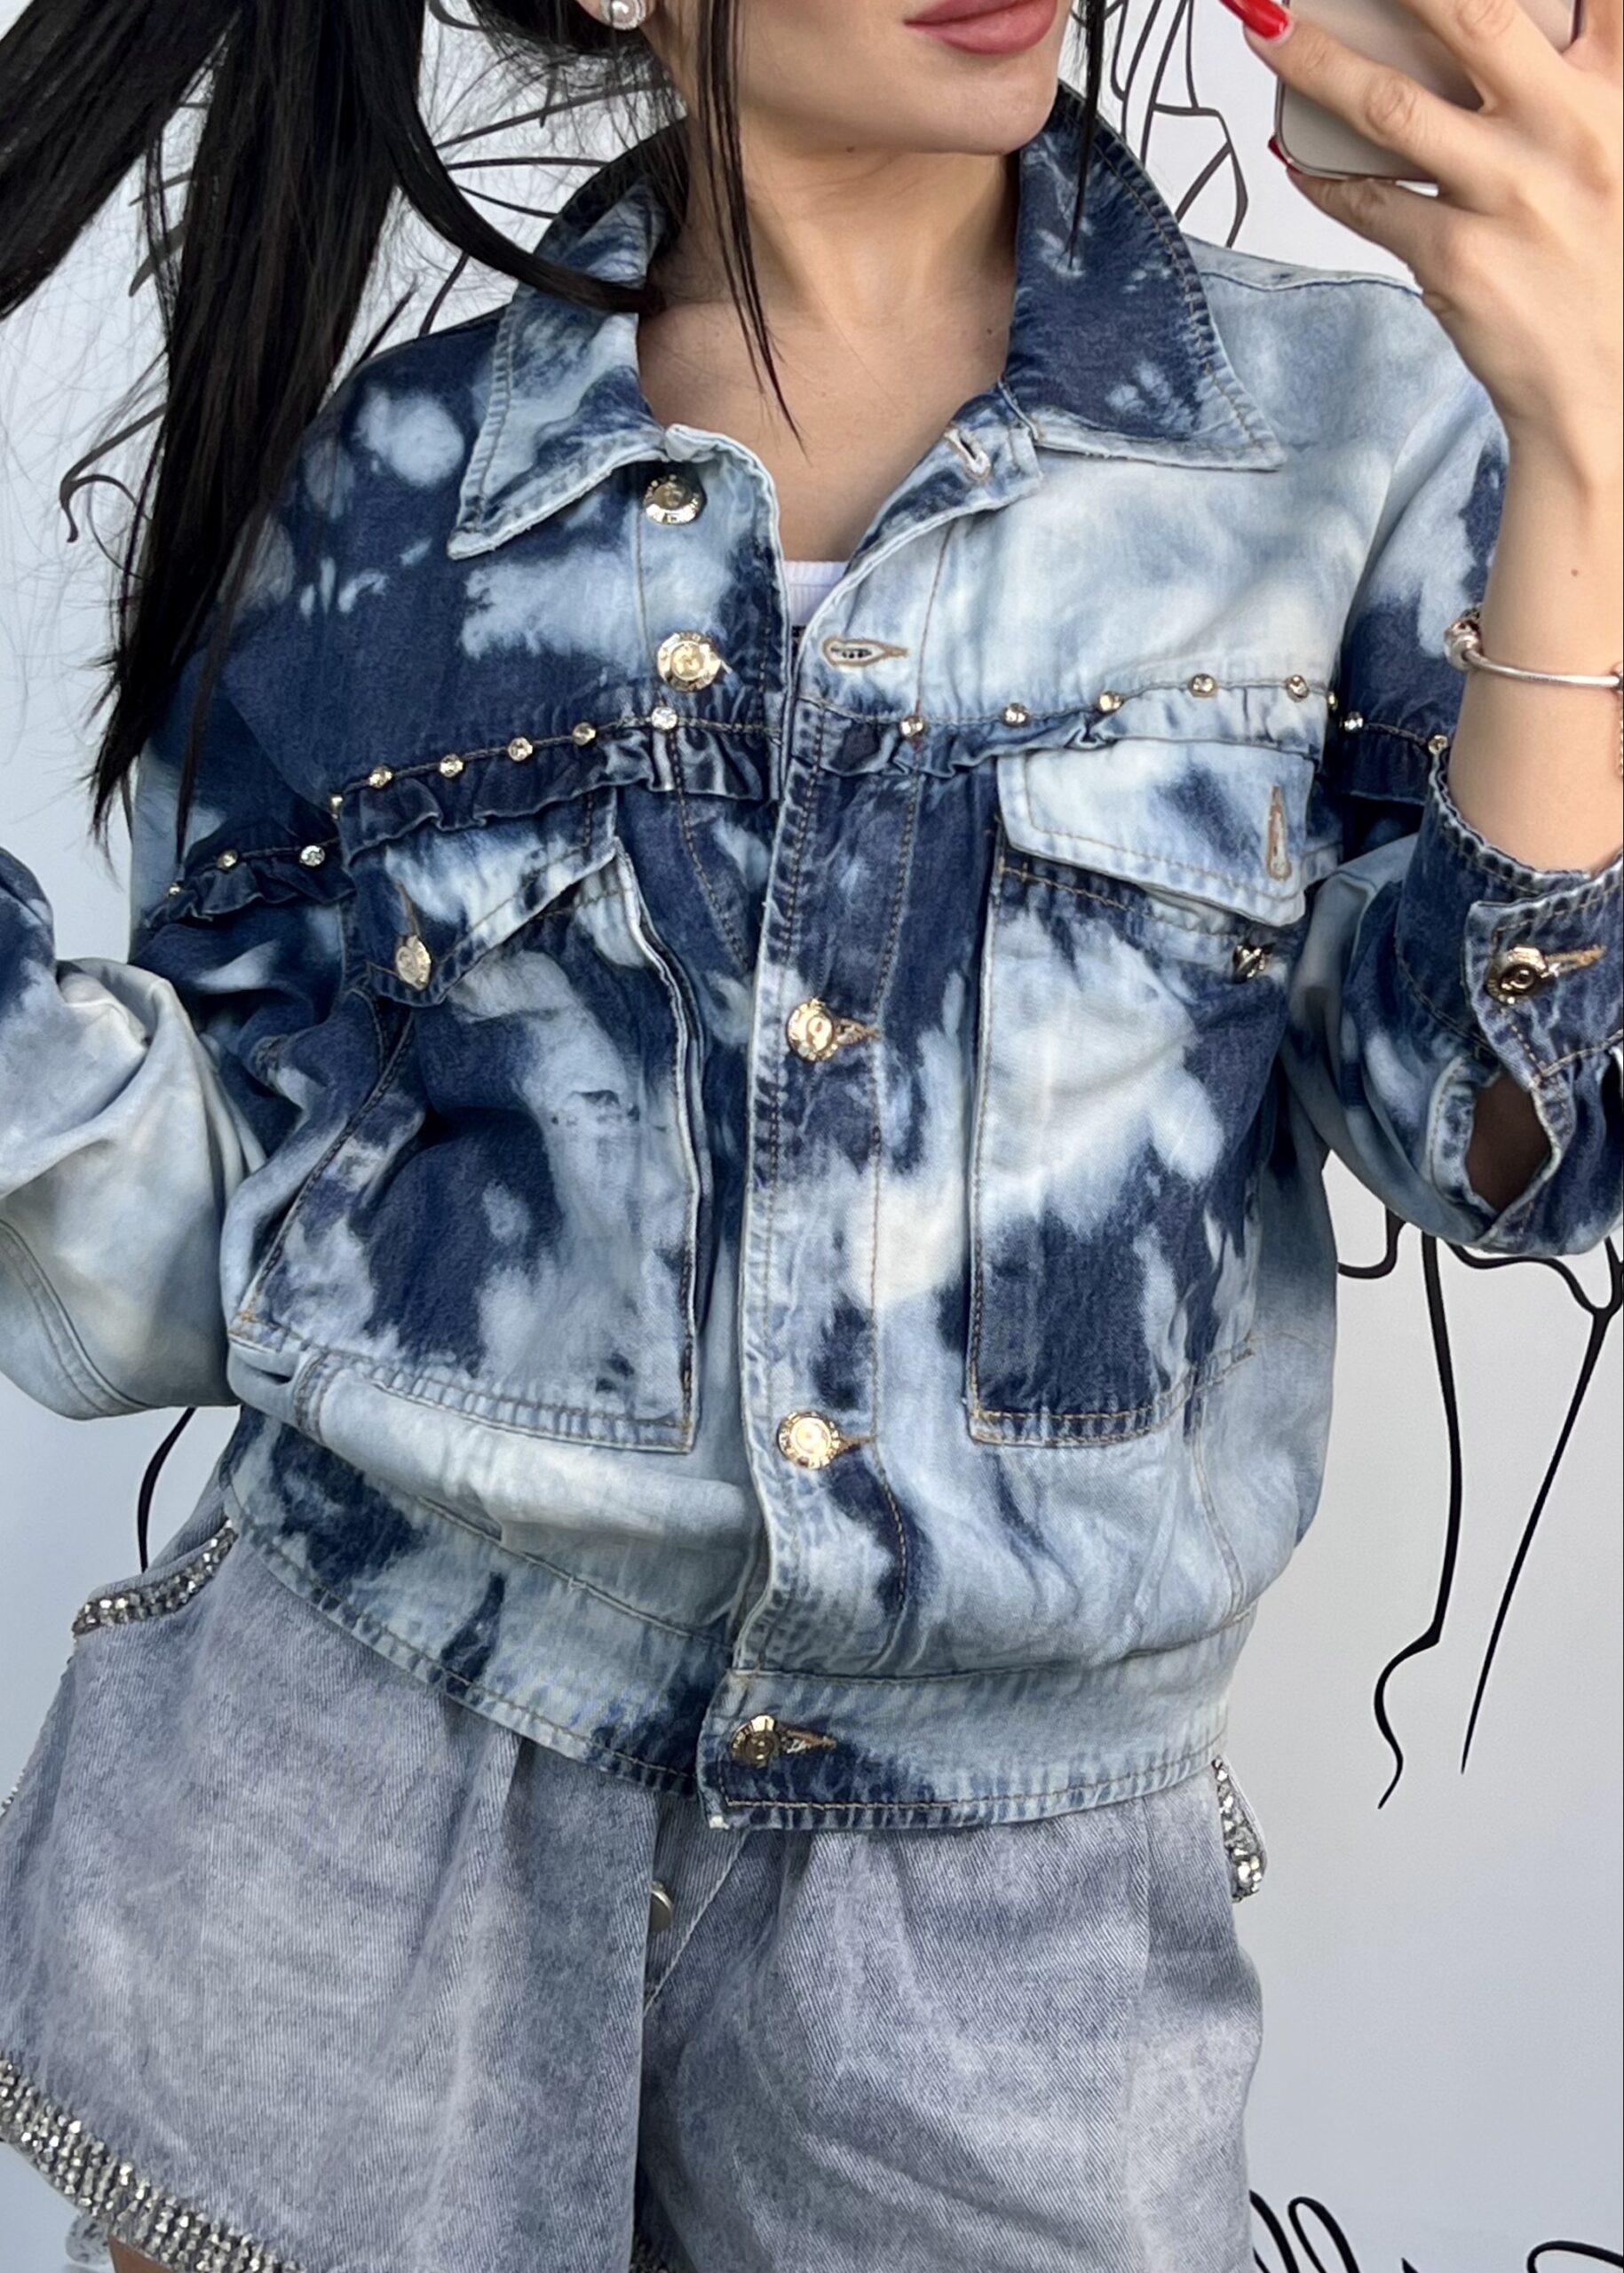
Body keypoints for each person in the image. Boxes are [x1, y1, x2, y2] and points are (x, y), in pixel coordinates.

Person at [0, 0, 1619, 2268]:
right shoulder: (380, 501)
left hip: (997, 1963)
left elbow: (1508, 1135)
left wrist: (1590, 452)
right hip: (340, 1877)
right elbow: (229, 1237)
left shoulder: (1354, 436)